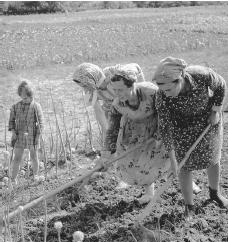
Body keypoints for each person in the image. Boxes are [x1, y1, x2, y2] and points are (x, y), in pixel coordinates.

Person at [153, 56, 228, 216]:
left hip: (208, 121)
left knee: (213, 158)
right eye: (162, 90)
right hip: (181, 128)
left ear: (179, 80)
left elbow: (221, 84)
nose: (165, 94)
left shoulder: (201, 75)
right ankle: (189, 206)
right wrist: (173, 160)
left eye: (168, 89)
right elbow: (165, 127)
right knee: (183, 166)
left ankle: (215, 194)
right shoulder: (161, 97)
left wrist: (215, 110)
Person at [97, 69, 174, 204]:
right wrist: (106, 153)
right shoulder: (117, 104)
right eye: (114, 90)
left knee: (169, 155)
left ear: (132, 85)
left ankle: (187, 181)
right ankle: (149, 193)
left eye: (120, 90)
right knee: (137, 160)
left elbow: (166, 113)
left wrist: (159, 133)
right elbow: (113, 129)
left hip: (156, 126)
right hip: (134, 130)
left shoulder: (152, 93)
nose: (117, 94)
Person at [72, 62, 145, 139]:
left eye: (85, 85)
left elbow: (135, 67)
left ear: (92, 79)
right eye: (82, 86)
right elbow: (98, 111)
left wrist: (127, 74)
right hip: (112, 103)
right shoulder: (89, 91)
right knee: (112, 131)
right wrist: (107, 131)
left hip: (131, 94)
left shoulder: (115, 74)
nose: (85, 89)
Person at [8, 80, 44, 185]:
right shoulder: (15, 107)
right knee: (17, 157)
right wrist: (13, 132)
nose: (27, 100)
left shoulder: (36, 106)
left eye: (29, 97)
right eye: (24, 98)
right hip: (19, 136)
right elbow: (11, 122)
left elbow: (41, 123)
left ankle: (35, 176)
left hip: (32, 136)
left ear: (32, 95)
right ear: (20, 96)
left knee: (34, 156)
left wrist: (38, 136)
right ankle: (13, 179)